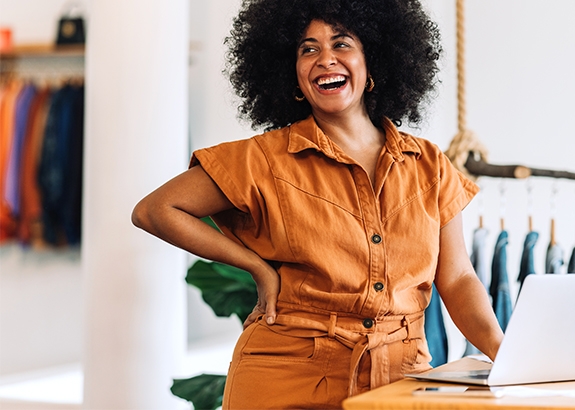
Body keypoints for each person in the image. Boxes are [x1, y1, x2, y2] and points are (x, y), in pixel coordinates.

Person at [131, 0, 503, 408]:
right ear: (292, 74)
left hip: (400, 377)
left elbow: (458, 279)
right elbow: (156, 210)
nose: (325, 59)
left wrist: (505, 355)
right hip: (287, 379)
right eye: (308, 49)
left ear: (372, 60)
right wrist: (255, 266)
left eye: (341, 44)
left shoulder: (429, 164)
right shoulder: (264, 159)